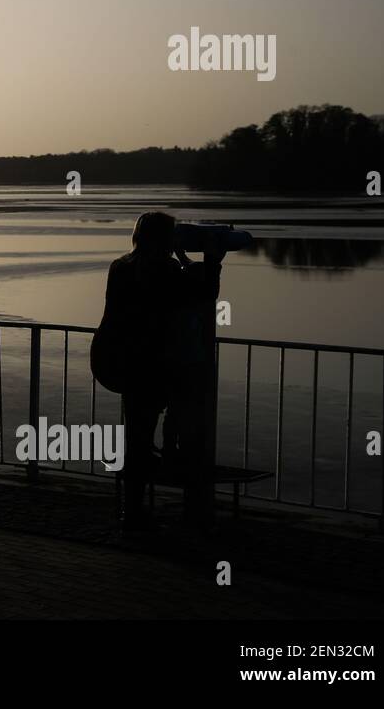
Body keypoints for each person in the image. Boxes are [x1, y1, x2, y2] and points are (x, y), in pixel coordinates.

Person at [91, 211, 223, 531]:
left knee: (136, 436)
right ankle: (184, 487)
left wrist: (181, 261)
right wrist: (212, 262)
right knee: (183, 421)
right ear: (167, 238)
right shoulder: (164, 268)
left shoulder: (120, 266)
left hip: (124, 359)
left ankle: (131, 509)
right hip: (158, 363)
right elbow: (205, 295)